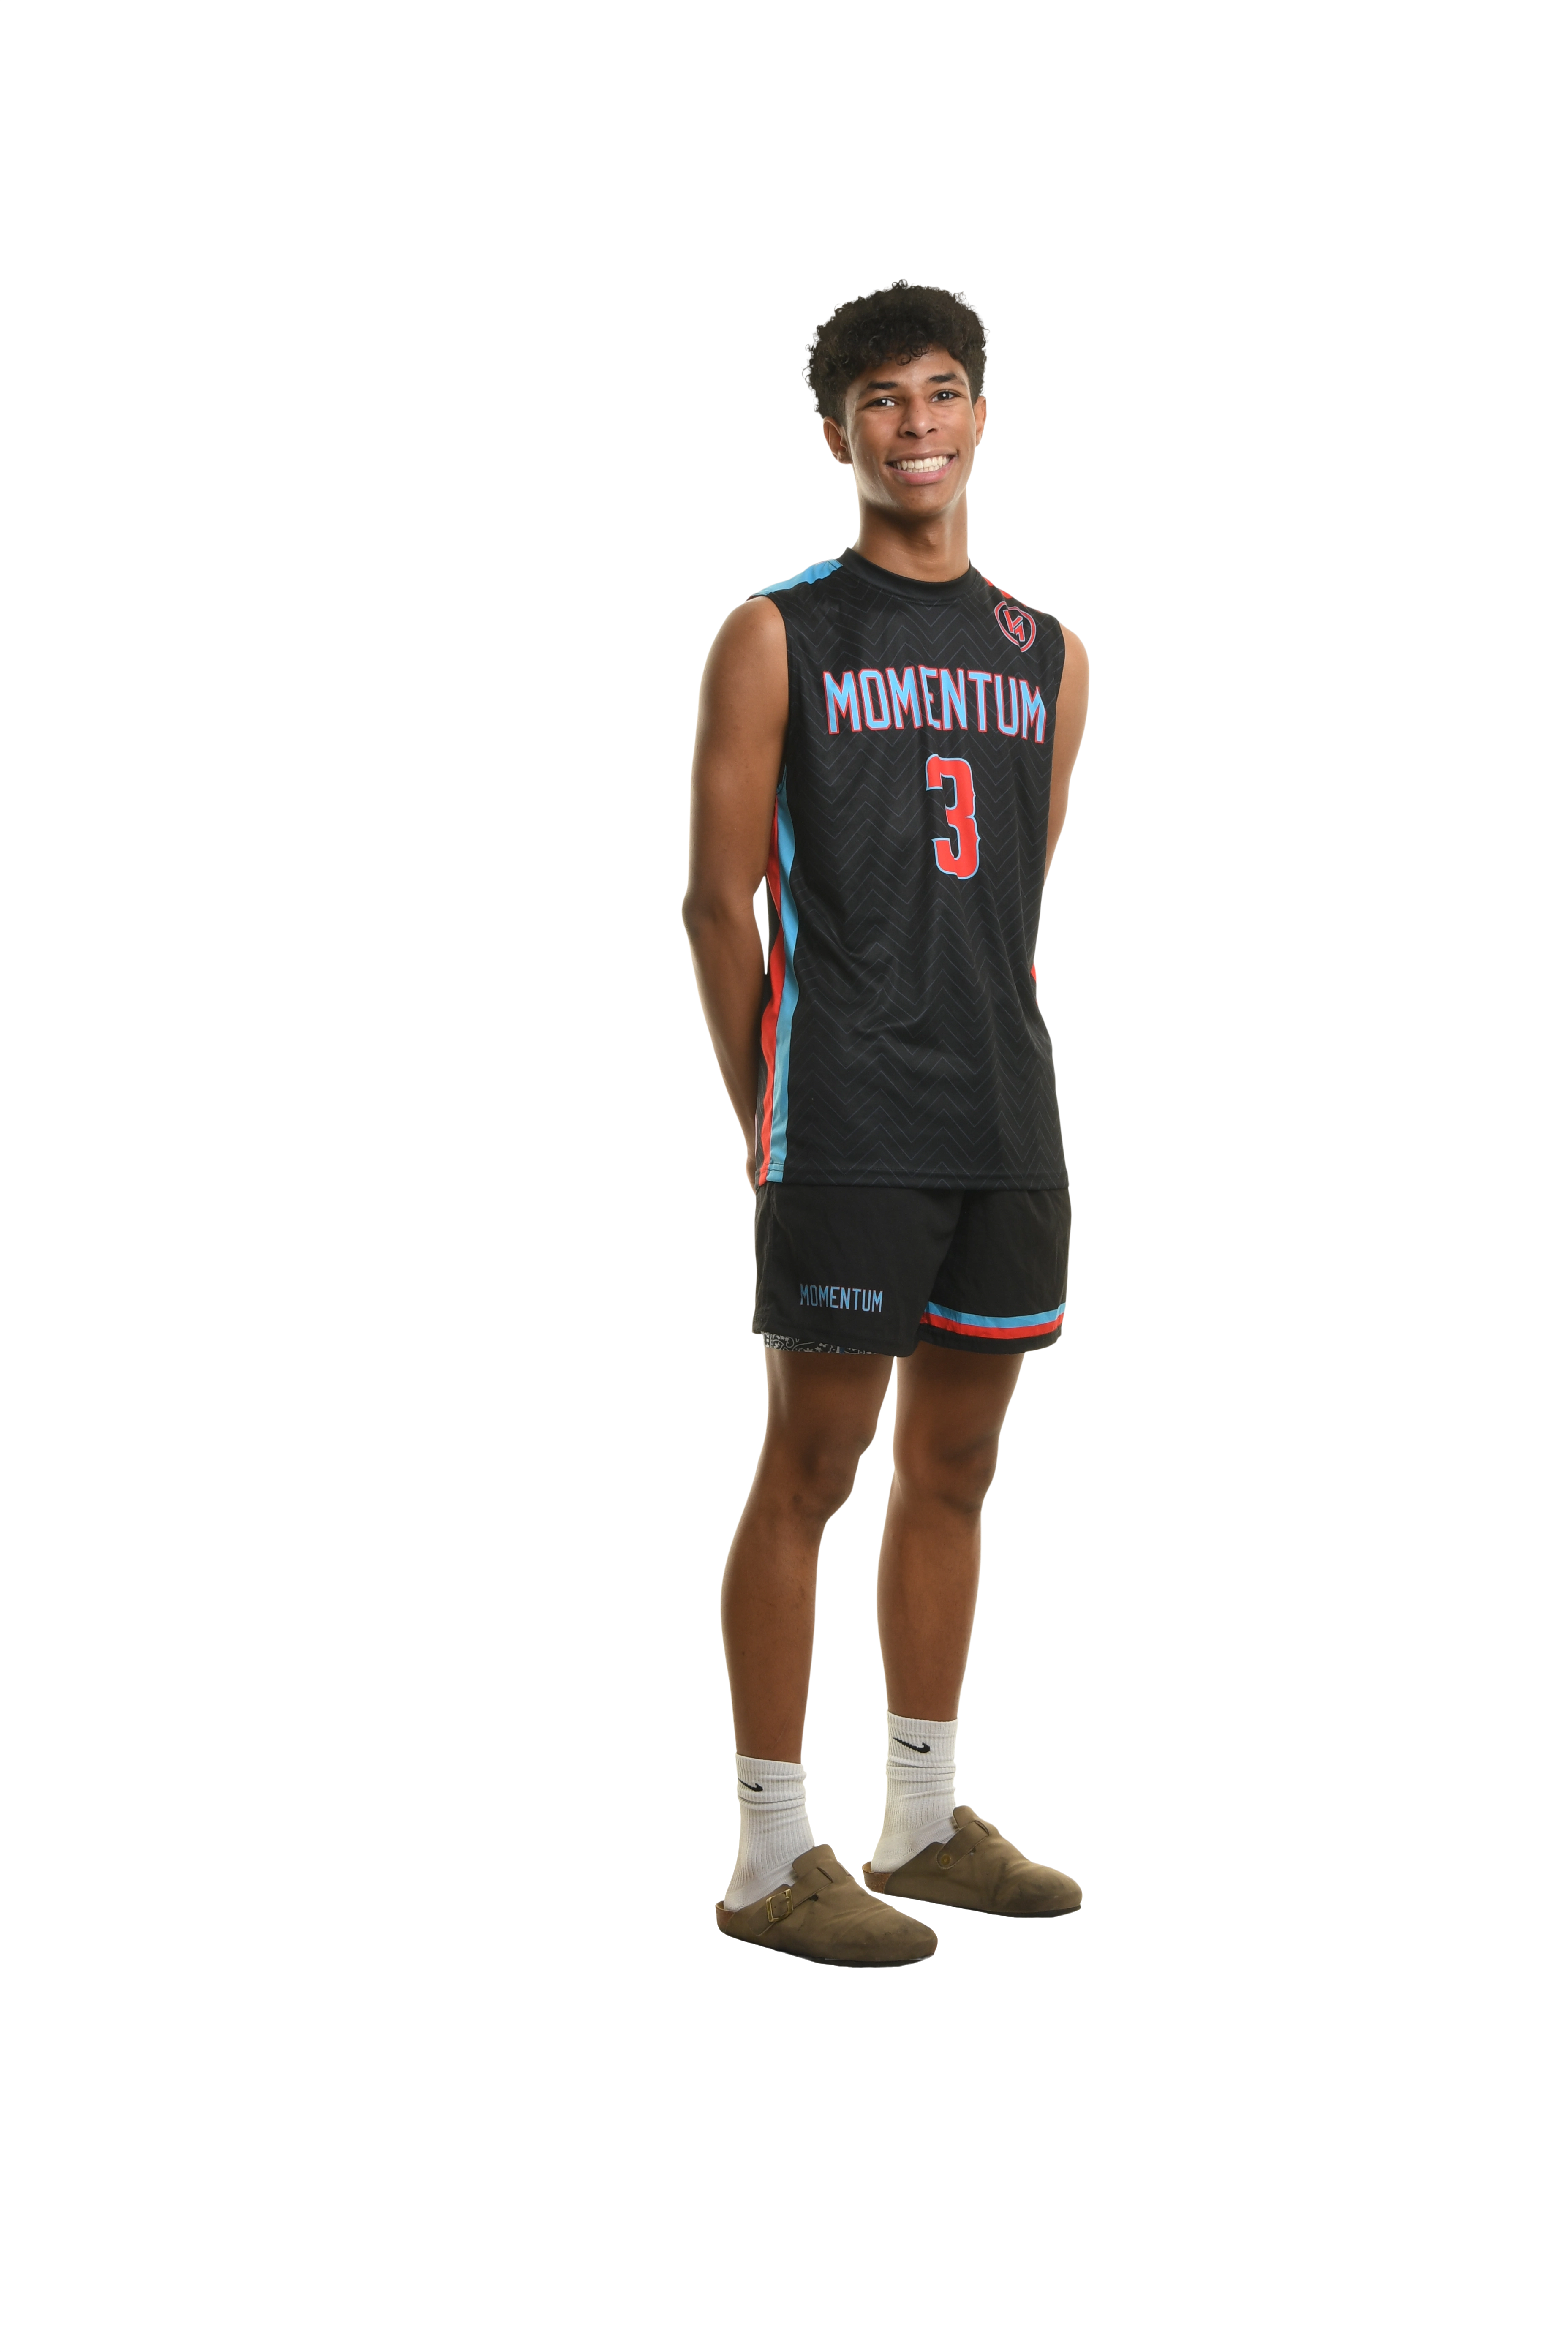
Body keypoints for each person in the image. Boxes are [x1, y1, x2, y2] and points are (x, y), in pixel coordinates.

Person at [683, 279, 1089, 1965]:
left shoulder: (1049, 656)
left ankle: (920, 1822)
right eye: (878, 399)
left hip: (1002, 1114)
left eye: (940, 391)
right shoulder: (778, 631)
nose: (915, 425)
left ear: (981, 412)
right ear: (835, 431)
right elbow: (715, 904)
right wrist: (765, 1114)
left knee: (960, 1465)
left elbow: (1009, 905)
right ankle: (774, 1853)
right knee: (814, 1464)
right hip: (843, 1113)